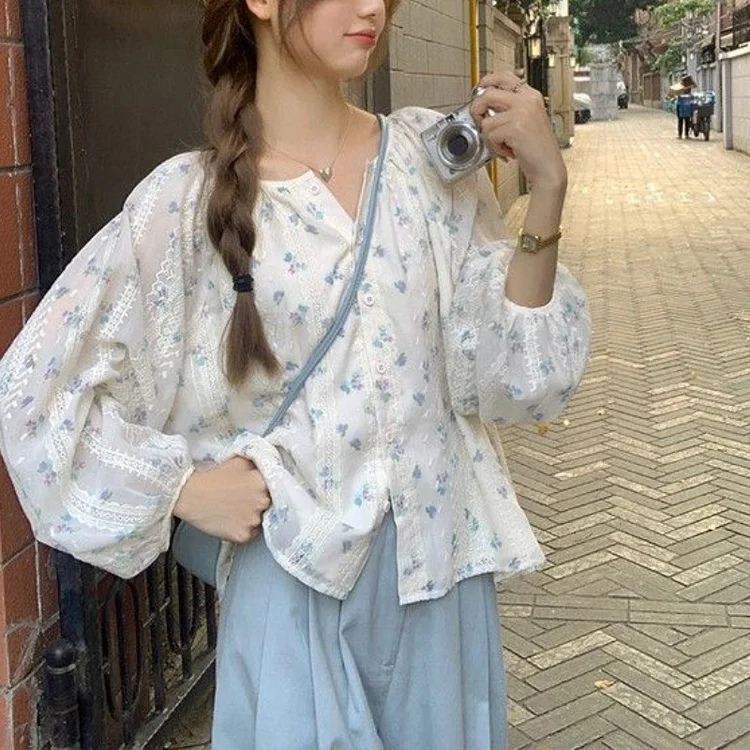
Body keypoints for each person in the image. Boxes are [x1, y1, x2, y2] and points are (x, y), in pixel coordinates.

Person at [0, 0, 590, 747]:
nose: (372, 7)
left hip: (440, 571)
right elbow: (36, 392)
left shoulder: (427, 162)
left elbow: (513, 383)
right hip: (294, 579)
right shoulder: (185, 201)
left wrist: (547, 188)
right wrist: (183, 489)